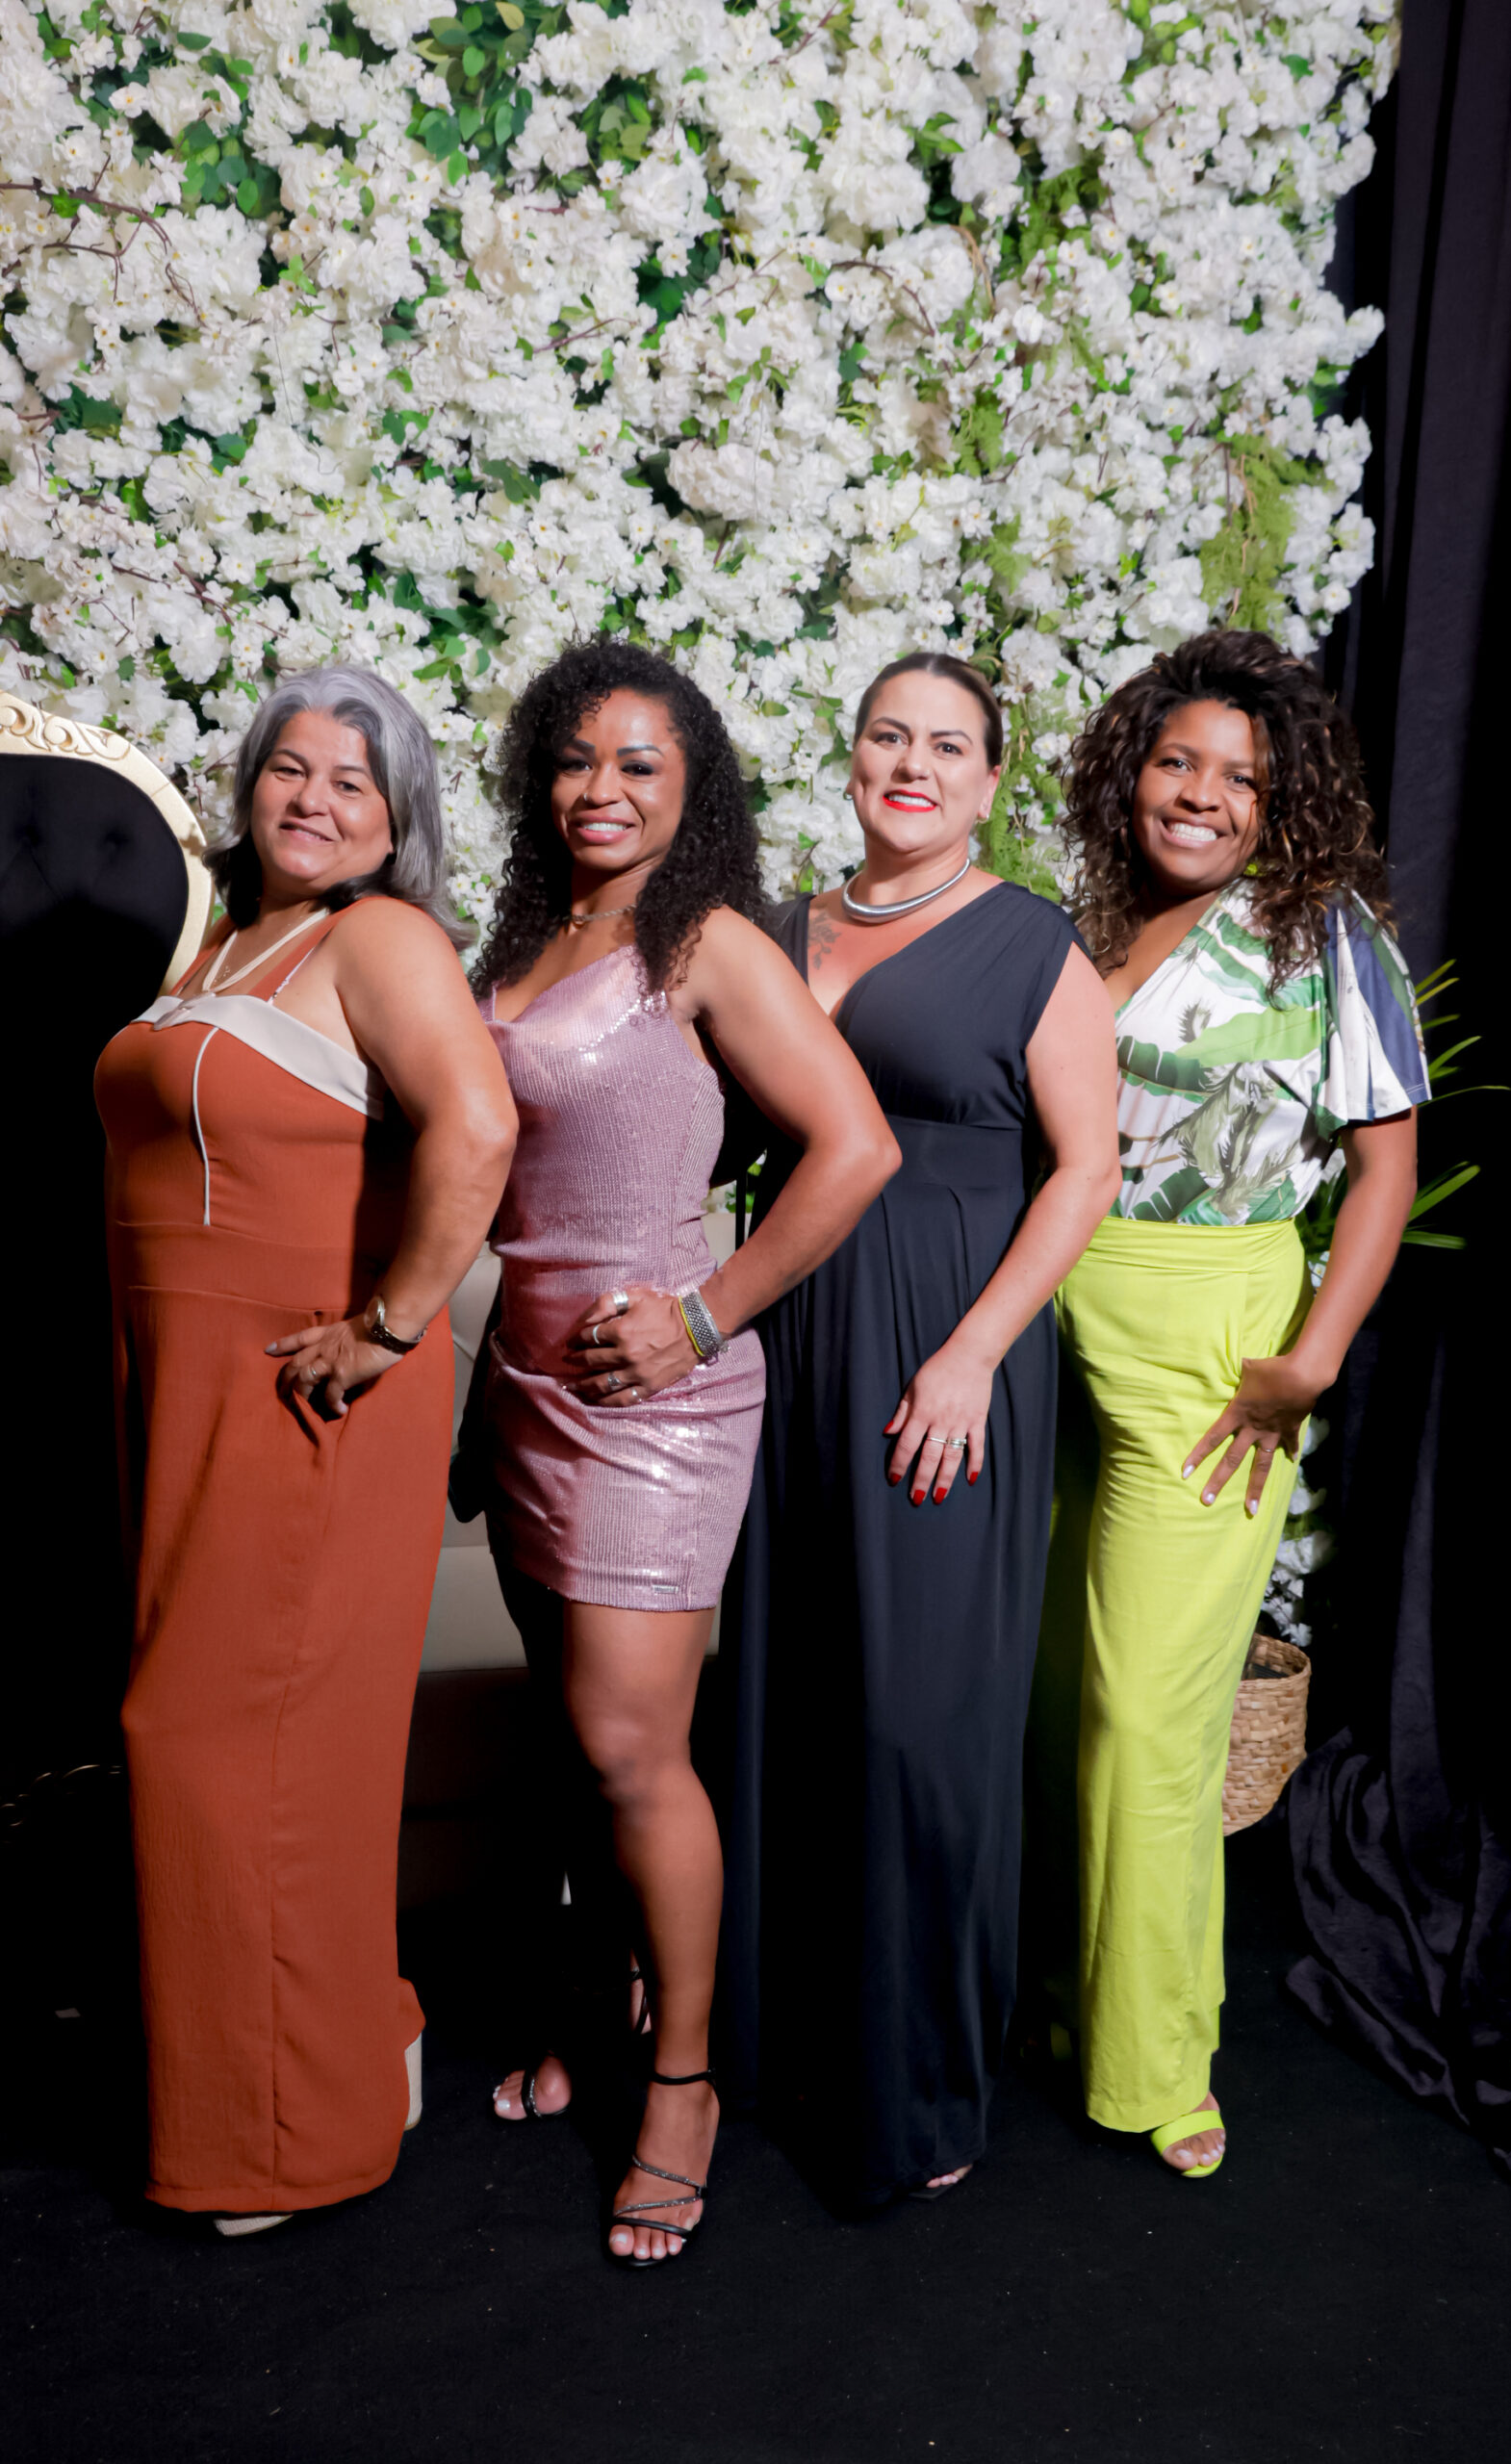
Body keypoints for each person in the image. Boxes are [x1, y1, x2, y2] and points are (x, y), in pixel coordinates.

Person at [470, 641, 898, 2269]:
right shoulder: (524, 936)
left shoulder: (706, 940)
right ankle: (606, 1996)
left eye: (640, 763)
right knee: (577, 1748)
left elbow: (855, 1145)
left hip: (654, 1398)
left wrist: (704, 1318)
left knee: (631, 1744)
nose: (603, 788)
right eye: (578, 758)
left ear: (691, 785)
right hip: (523, 1387)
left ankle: (684, 2083)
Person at [95, 666, 517, 2234]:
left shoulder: (380, 939)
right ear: (250, 783)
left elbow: (478, 1126)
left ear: (397, 819)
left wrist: (392, 1329)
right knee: (241, 1744)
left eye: (355, 780)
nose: (316, 799)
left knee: (235, 1752)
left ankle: (283, 2134)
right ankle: (358, 2040)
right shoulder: (220, 940)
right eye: (291, 767)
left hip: (299, 1394)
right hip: (176, 1385)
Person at [1028, 629, 1430, 2182]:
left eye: (1240, 779)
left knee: (1154, 1717)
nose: (1200, 794)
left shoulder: (1322, 935)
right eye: (1177, 761)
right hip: (1047, 1319)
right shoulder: (1084, 921)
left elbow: (1383, 1168)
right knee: (1057, 1691)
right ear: (1131, 771)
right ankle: (1065, 1999)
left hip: (1209, 1342)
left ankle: (1157, 2056)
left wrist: (1312, 1359)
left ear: (1283, 804)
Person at [721, 652, 1119, 2208]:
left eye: (949, 746)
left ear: (991, 782)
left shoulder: (1033, 945)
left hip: (946, 1356)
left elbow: (1084, 1169)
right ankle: (785, 2046)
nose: (913, 764)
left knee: (919, 1724)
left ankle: (925, 2082)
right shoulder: (773, 930)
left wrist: (972, 1356)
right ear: (852, 756)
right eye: (889, 735)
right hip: (787, 1346)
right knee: (792, 1694)